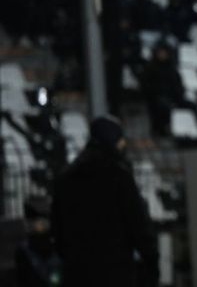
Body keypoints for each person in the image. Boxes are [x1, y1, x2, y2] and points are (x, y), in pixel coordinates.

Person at [51, 116, 159, 287]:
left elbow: (57, 232)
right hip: (115, 273)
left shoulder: (65, 178)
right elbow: (138, 225)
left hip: (77, 274)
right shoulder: (118, 175)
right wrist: (152, 262)